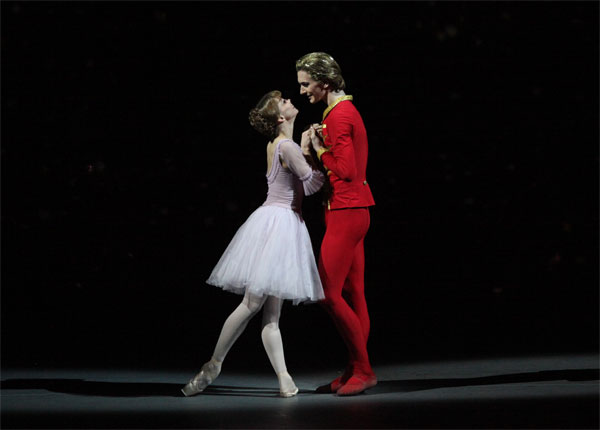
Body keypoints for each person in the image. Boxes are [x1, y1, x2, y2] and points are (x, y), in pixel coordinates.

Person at [181, 90, 326, 398]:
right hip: (282, 224)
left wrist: (304, 148)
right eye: (284, 101)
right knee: (253, 304)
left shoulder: (275, 144)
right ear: (280, 118)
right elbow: (312, 184)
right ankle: (213, 364)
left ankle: (284, 377)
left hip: (274, 222)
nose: (290, 100)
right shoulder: (285, 145)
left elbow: (297, 175)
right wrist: (315, 149)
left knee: (271, 316)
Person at [296, 52, 377, 396]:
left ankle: (363, 368)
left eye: (306, 84)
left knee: (328, 294)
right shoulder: (339, 112)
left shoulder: (340, 115)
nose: (303, 91)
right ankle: (355, 367)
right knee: (353, 293)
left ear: (324, 82)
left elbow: (345, 171)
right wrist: (319, 147)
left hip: (346, 212)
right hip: (351, 209)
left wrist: (317, 146)